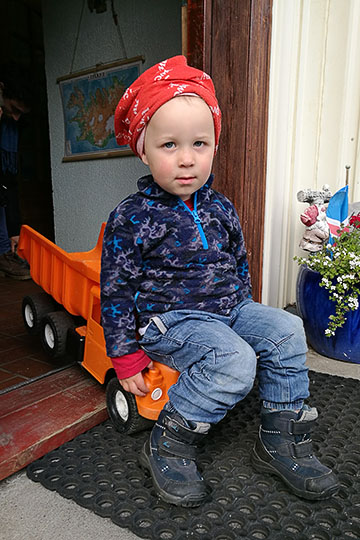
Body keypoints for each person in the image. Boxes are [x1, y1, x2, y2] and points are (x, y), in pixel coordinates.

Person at [100, 56, 340, 507]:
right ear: (144, 149)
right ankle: (166, 445)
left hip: (229, 310)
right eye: (169, 145)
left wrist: (249, 313)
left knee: (287, 329)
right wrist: (124, 357)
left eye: (200, 143)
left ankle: (279, 441)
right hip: (170, 320)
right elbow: (114, 288)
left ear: (214, 146)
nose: (187, 158)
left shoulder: (221, 207)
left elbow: (237, 263)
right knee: (234, 361)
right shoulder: (131, 217)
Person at [0, 62, 32, 279]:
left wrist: (13, 230)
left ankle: (5, 253)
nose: (16, 117)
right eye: (15, 110)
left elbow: (8, 180)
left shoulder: (10, 127)